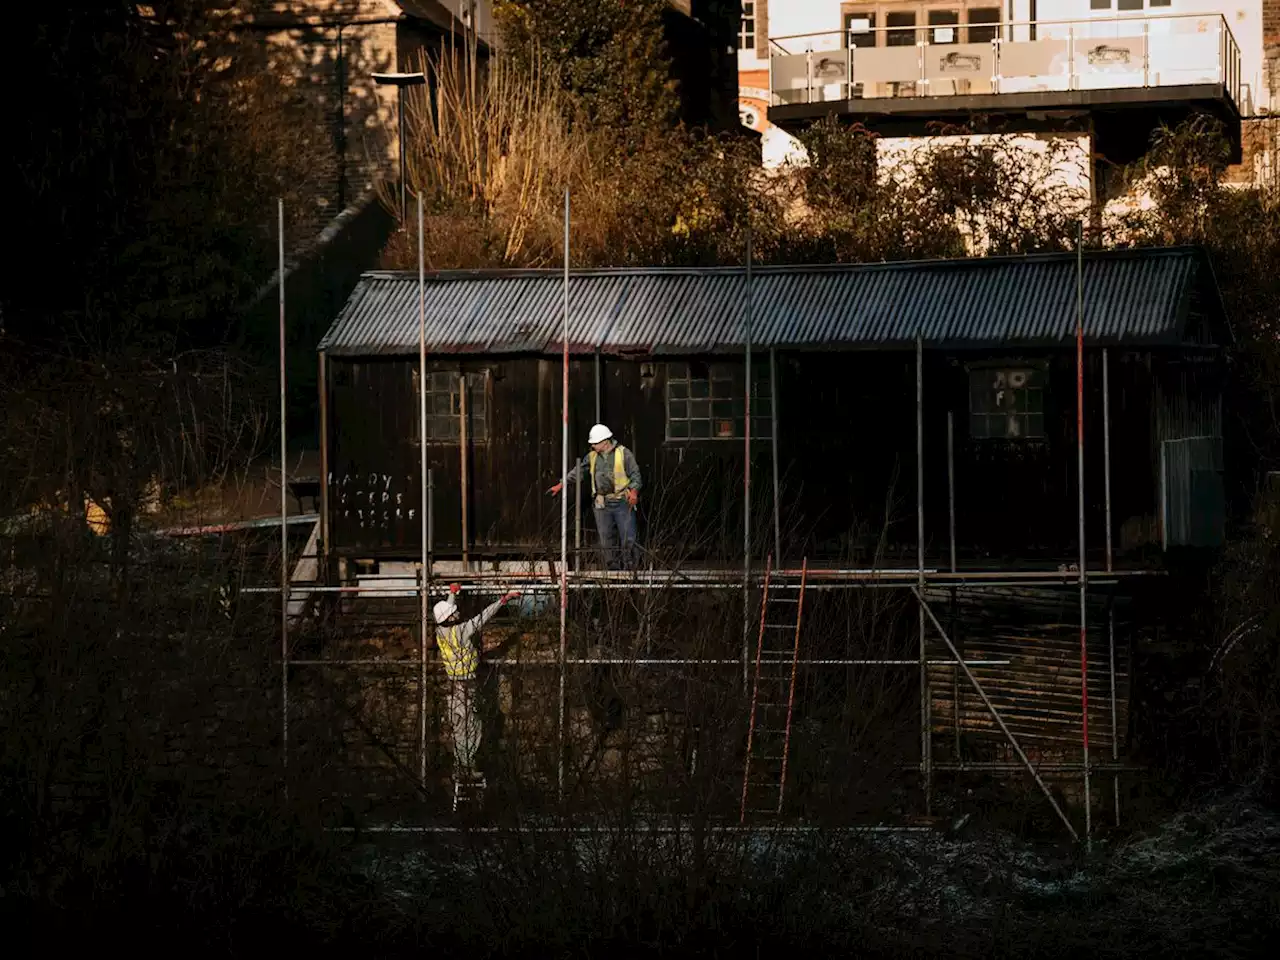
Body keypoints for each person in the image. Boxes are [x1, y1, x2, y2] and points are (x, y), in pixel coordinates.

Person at [433, 582, 520, 783]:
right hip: (465, 687)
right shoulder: (461, 631)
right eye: (454, 612)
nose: (457, 614)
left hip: (453, 686)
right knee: (472, 728)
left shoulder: (440, 631)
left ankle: (461, 766)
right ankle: (466, 768)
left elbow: (445, 614)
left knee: (459, 727)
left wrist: (452, 594)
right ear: (450, 618)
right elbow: (483, 617)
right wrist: (503, 599)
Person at [547, 423, 642, 570]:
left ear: (605, 441)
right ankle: (613, 571)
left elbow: (635, 475)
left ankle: (631, 570)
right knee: (606, 539)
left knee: (628, 538)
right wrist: (561, 484)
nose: (593, 446)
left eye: (595, 443)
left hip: (622, 501)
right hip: (602, 503)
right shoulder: (591, 457)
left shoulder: (624, 454)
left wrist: (634, 492)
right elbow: (578, 472)